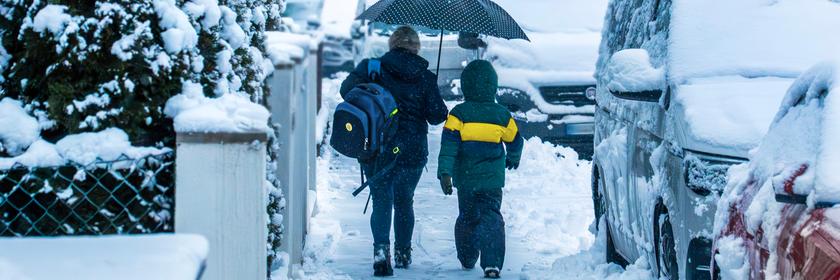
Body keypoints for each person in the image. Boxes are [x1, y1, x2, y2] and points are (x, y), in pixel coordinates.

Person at [340, 25, 449, 277]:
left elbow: (346, 91)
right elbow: (437, 116)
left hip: (378, 147)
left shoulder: (372, 68)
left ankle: (381, 251)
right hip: (412, 150)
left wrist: (373, 93)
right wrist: (431, 90)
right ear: (416, 47)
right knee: (403, 201)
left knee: (381, 199)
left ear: (392, 44)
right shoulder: (424, 76)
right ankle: (402, 252)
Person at [437, 60, 524, 279]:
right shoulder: (502, 115)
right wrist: (513, 158)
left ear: (465, 86)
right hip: (492, 181)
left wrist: (445, 173)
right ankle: (492, 263)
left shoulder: (458, 115)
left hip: (466, 180)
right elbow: (516, 141)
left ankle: (467, 257)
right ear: (492, 86)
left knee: (467, 216)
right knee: (491, 217)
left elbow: (448, 147)